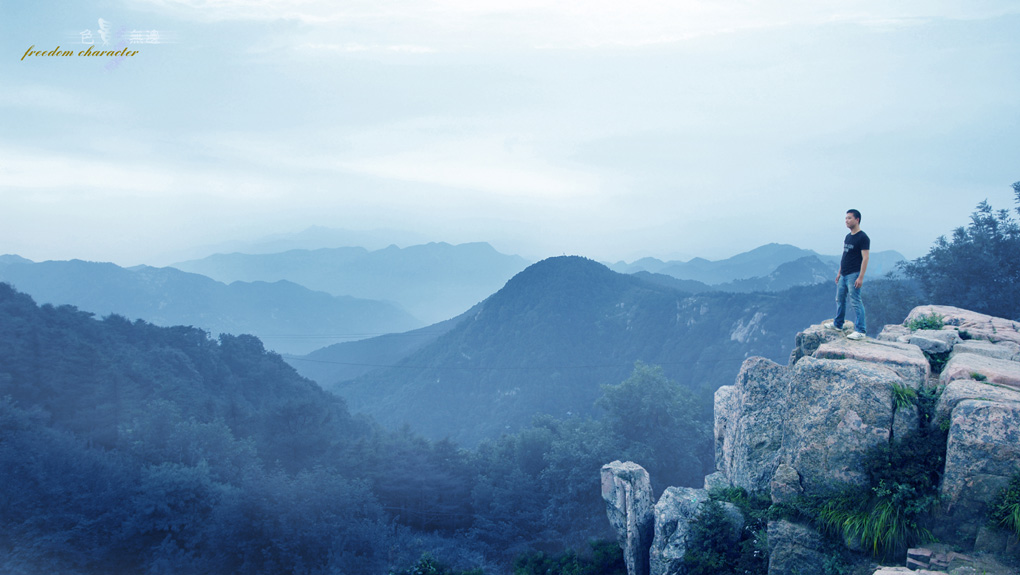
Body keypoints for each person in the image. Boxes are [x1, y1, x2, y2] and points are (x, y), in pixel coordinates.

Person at [824, 209, 869, 340]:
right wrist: (839, 272)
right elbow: (845, 255)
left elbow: (865, 258)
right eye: (845, 218)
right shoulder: (848, 236)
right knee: (840, 299)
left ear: (857, 220)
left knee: (855, 301)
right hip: (844, 274)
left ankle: (860, 330)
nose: (846, 221)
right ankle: (838, 324)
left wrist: (861, 276)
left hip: (854, 274)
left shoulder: (863, 237)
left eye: (849, 218)